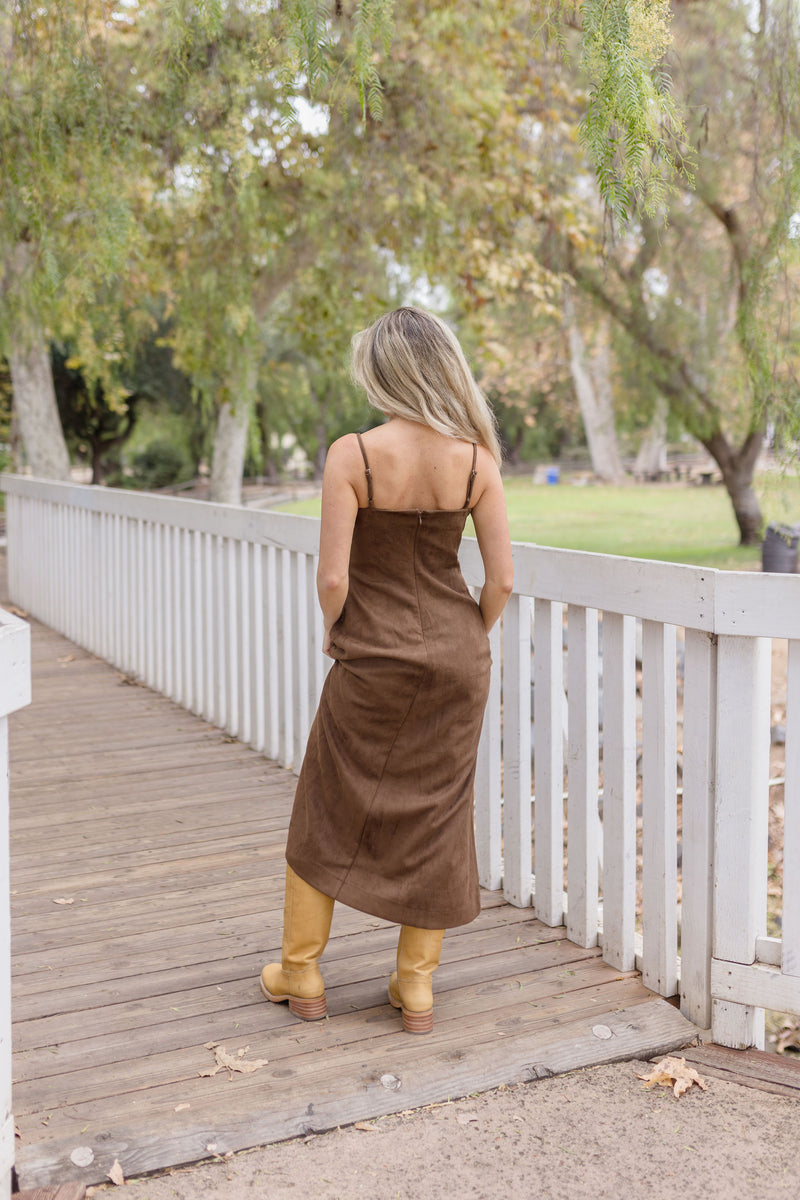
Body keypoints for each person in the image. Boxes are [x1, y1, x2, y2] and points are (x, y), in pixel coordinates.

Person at [260, 306, 513, 1033]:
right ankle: (416, 986)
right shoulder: (477, 461)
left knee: (326, 800)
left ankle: (301, 971)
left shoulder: (354, 455)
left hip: (372, 655)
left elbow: (332, 578)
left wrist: (337, 630)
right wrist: (465, 638)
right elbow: (501, 581)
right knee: (439, 812)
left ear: (383, 371)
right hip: (459, 660)